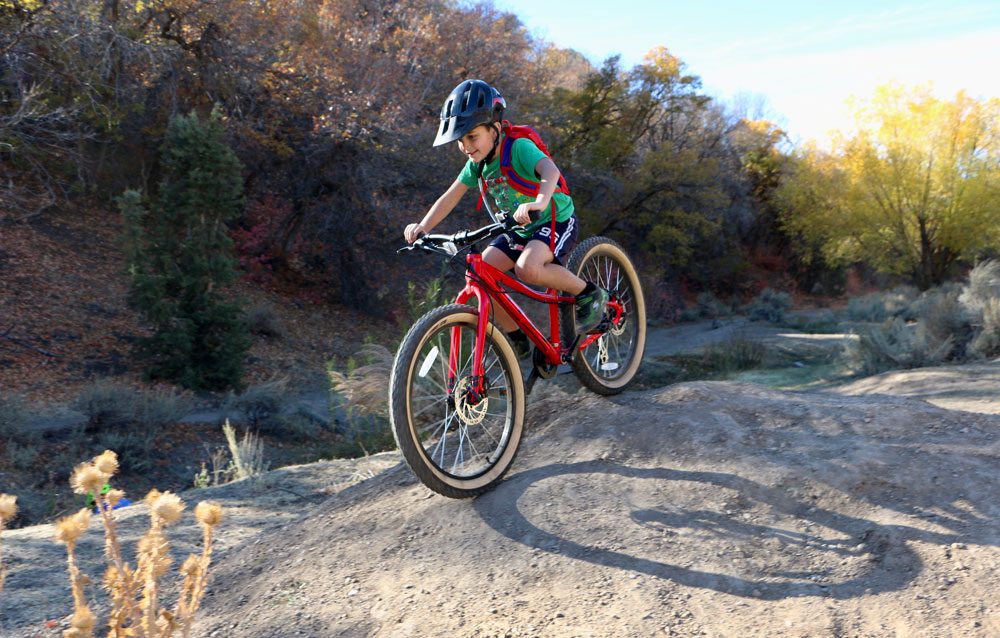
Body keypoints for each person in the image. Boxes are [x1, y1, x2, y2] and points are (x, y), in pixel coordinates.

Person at [403, 79, 608, 356]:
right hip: (519, 229)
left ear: (495, 129)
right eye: (460, 141)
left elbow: (550, 172)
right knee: (480, 273)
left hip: (554, 219)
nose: (466, 147)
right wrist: (423, 227)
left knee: (528, 268)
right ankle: (517, 336)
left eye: (472, 137)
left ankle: (588, 293)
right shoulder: (477, 165)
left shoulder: (518, 148)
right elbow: (451, 196)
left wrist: (540, 201)